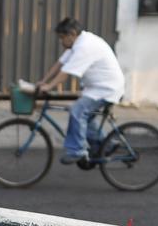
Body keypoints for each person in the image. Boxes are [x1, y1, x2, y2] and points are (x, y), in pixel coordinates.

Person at [35, 17, 125, 165]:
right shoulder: (77, 44)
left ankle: (76, 151)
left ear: (72, 34)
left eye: (62, 37)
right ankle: (106, 145)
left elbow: (66, 73)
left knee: (77, 110)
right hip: (96, 88)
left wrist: (49, 87)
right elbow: (60, 64)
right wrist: (43, 81)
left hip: (107, 89)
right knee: (85, 118)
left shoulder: (85, 46)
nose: (61, 41)